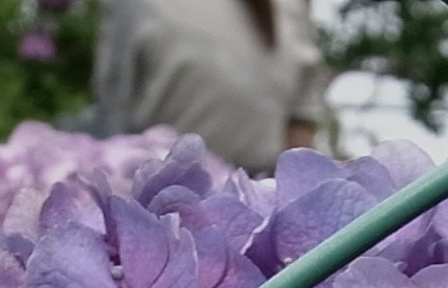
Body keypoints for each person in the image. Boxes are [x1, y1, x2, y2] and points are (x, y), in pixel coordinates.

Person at [92, 0, 325, 165]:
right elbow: (114, 105)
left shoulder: (290, 7)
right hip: (162, 193)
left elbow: (302, 111)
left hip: (263, 196)